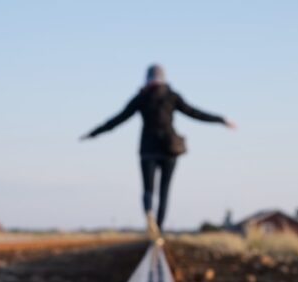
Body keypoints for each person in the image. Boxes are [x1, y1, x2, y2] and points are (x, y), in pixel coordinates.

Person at [81, 65, 236, 240]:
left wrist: (93, 133)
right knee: (164, 191)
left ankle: (149, 212)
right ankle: (159, 231)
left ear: (147, 78)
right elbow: (195, 113)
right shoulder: (171, 96)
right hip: (169, 149)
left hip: (147, 149)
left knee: (148, 189)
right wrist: (221, 120)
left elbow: (118, 119)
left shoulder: (142, 97)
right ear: (163, 78)